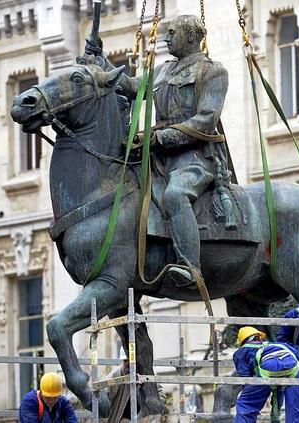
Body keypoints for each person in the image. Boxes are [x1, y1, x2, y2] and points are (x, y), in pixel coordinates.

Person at [86, 14, 230, 287]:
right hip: (160, 157)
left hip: (195, 156)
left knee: (176, 194)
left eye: (172, 32)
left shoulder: (212, 71)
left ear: (191, 36)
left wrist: (162, 137)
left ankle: (190, 267)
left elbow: (205, 120)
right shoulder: (164, 70)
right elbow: (129, 86)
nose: (166, 37)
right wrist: (100, 59)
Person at [233, 326, 299, 423]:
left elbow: (245, 377)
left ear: (243, 342)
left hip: (266, 372)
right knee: (297, 412)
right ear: (260, 337)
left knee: (246, 405)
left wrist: (250, 393)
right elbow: (297, 355)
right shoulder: (279, 344)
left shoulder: (241, 352)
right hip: (294, 371)